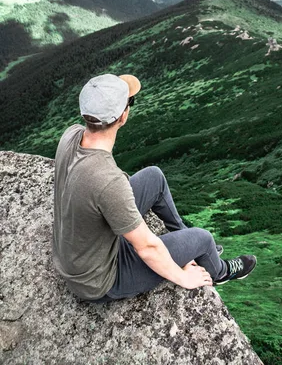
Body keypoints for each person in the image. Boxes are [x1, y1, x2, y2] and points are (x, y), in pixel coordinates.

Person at [52, 73, 257, 302]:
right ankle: (219, 271)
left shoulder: (70, 135)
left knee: (154, 177)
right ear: (123, 116)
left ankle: (184, 240)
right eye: (130, 101)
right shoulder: (108, 180)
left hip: (81, 254)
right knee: (203, 238)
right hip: (99, 280)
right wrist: (183, 277)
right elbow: (147, 247)